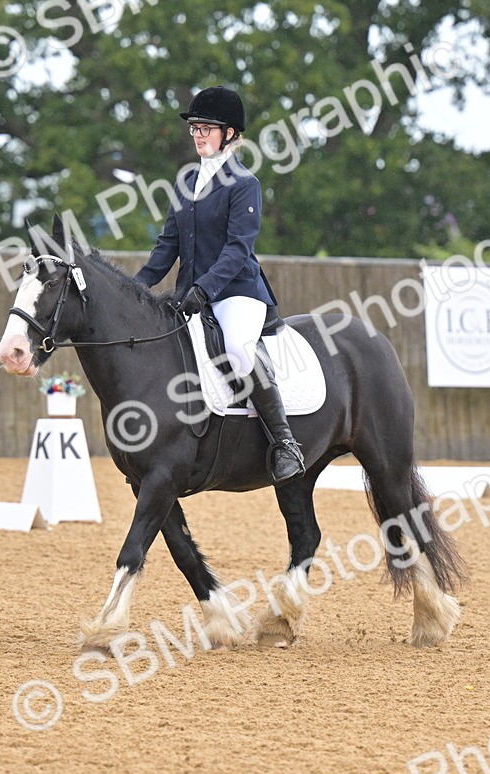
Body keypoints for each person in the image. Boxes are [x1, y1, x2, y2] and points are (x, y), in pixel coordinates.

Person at [134, 86, 305, 485]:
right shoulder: (186, 182)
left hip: (236, 294)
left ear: (229, 133)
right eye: (195, 127)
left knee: (238, 351)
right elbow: (168, 247)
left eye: (207, 128)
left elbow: (237, 249)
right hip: (191, 296)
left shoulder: (244, 184)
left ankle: (284, 442)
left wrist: (205, 289)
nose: (198, 134)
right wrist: (136, 288)